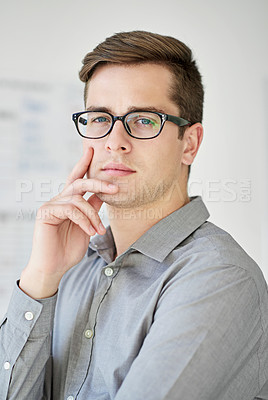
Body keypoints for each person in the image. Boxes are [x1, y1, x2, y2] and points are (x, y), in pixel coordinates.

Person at [0, 30, 268, 400]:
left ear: (189, 143)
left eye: (143, 120)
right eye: (99, 118)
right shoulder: (73, 268)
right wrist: (41, 278)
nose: (114, 141)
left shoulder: (219, 277)